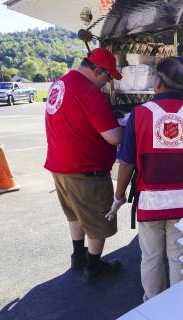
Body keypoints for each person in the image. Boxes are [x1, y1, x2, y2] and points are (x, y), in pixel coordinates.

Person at [106, 57, 183, 300]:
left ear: (158, 82)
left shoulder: (140, 114)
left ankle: (153, 306)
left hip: (151, 203)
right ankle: (179, 306)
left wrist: (119, 196)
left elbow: (127, 163)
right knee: (179, 256)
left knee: (151, 258)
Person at [44, 47, 123, 284]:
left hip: (60, 166)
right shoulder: (89, 92)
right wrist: (130, 126)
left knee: (74, 215)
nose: (107, 82)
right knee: (98, 222)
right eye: (108, 77)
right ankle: (94, 268)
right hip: (86, 171)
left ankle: (78, 258)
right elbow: (114, 137)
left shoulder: (60, 83)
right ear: (97, 70)